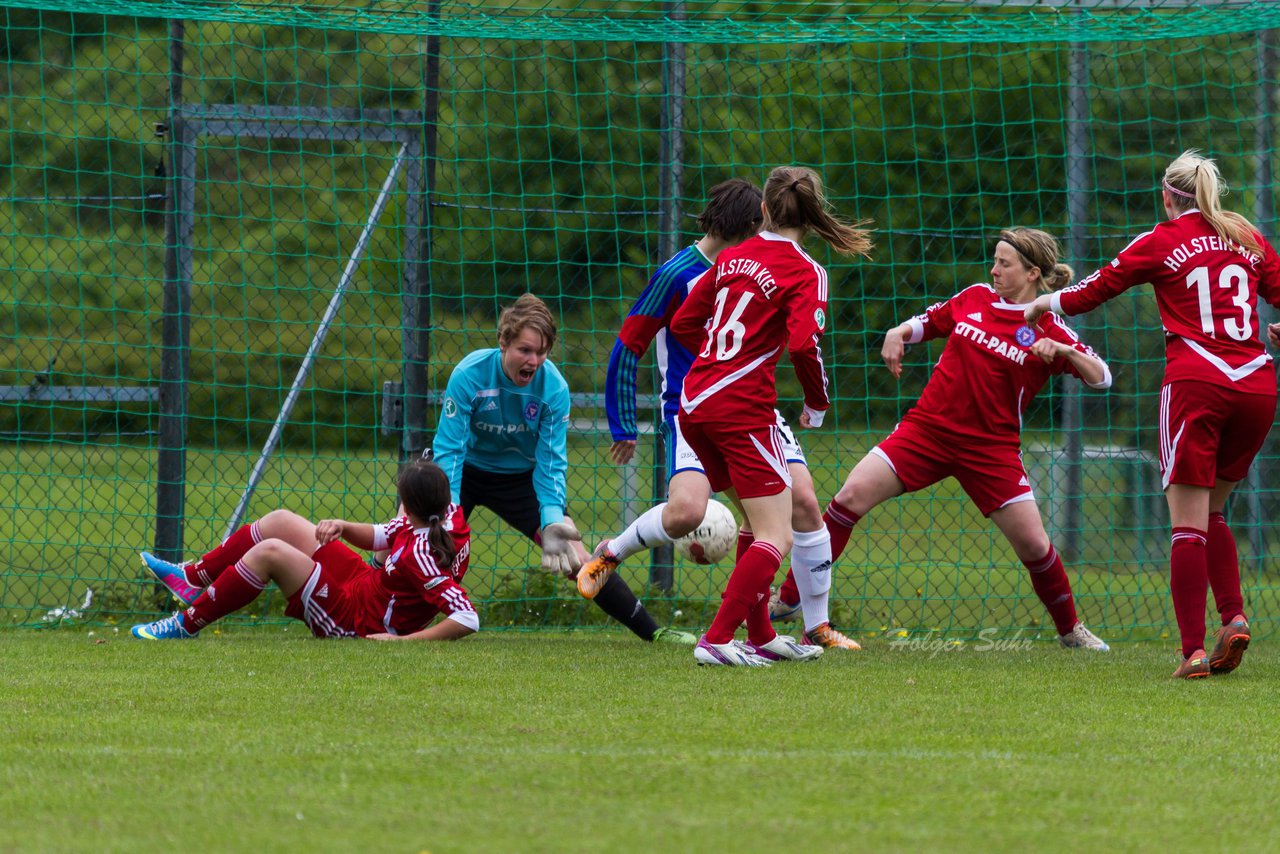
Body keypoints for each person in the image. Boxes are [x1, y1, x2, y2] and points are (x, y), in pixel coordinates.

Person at [1025, 150, 1280, 678]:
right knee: (1213, 512)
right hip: (1256, 385)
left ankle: (1191, 653)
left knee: (1187, 527)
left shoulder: (1162, 241)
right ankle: (1233, 618)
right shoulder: (1247, 238)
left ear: (1167, 196)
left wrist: (1039, 307)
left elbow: (1091, 291)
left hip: (1197, 382)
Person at [578, 178, 861, 651]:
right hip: (701, 403)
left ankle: (811, 628)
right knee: (693, 511)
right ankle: (616, 555)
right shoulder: (680, 273)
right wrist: (624, 420)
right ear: (753, 224)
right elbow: (630, 343)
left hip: (748, 406)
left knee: (804, 502)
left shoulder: (743, 263)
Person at [817, 228, 1112, 654]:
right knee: (849, 496)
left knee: (1034, 544)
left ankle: (1070, 630)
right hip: (927, 432)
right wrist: (898, 332)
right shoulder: (974, 297)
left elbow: (1102, 377)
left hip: (991, 451)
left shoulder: (1049, 326)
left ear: (1032, 273)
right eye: (994, 260)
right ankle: (790, 598)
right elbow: (927, 323)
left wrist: (1066, 353)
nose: (993, 270)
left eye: (1004, 263)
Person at [662, 165, 872, 667]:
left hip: (695, 402)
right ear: (812, 212)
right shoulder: (806, 270)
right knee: (778, 535)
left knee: (760, 523)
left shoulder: (734, 257)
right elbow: (803, 344)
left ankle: (760, 634)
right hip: (740, 409)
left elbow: (683, 322)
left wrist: (720, 361)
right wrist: (816, 404)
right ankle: (715, 639)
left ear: (763, 209)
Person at [430, 293, 695, 644]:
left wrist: (553, 517)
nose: (534, 360)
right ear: (503, 342)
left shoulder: (553, 388)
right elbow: (448, 451)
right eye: (525, 350)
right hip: (465, 470)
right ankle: (378, 611)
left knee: (578, 558)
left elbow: (551, 464)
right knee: (411, 534)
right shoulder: (469, 374)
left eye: (541, 352)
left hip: (519, 480)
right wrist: (446, 513)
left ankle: (654, 631)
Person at [131, 459, 478, 641]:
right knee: (280, 520)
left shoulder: (421, 554)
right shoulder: (446, 515)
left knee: (271, 552)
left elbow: (466, 617)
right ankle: (194, 580)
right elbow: (381, 535)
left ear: (410, 505)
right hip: (365, 585)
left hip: (355, 622)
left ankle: (185, 624)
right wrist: (343, 526)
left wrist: (404, 642)